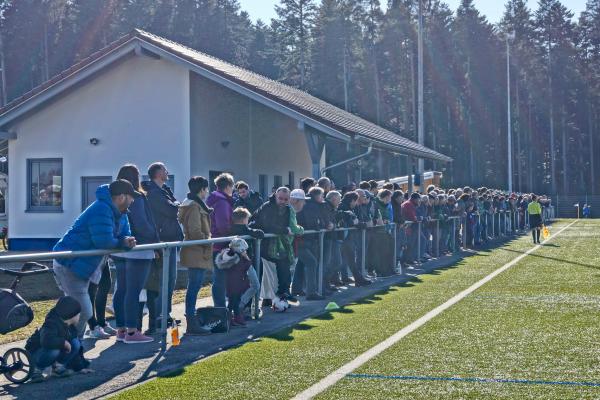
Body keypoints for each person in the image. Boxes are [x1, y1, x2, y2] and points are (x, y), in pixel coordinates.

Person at [53, 180, 136, 338]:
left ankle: (70, 349)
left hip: (82, 265)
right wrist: (123, 242)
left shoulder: (121, 213)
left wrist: (126, 240)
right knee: (83, 311)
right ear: (121, 197)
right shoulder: (101, 209)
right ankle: (66, 348)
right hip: (70, 264)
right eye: (131, 197)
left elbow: (124, 234)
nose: (133, 201)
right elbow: (103, 241)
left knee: (76, 312)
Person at [112, 165, 160, 344]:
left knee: (121, 289)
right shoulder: (137, 198)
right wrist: (155, 240)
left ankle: (121, 329)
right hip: (139, 248)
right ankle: (132, 331)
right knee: (133, 290)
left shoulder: (114, 199)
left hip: (120, 247)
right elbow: (142, 223)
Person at [142, 162, 183, 330]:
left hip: (170, 240)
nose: (167, 172)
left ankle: (166, 314)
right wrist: (176, 206)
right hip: (162, 242)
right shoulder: (153, 194)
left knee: (171, 280)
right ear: (159, 173)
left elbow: (175, 207)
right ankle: (159, 316)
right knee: (163, 281)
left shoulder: (164, 191)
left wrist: (175, 205)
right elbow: (173, 211)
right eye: (165, 170)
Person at [27, 296, 93, 383]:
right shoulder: (50, 324)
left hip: (49, 350)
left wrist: (80, 368)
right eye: (78, 314)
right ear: (71, 315)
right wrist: (63, 343)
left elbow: (76, 352)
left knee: (75, 343)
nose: (79, 316)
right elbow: (46, 341)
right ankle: (36, 369)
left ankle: (57, 366)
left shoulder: (71, 327)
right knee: (54, 350)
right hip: (37, 352)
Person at [178, 176, 213, 336]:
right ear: (202, 189)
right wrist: (208, 242)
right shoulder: (193, 207)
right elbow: (195, 232)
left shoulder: (194, 204)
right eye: (206, 188)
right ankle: (191, 322)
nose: (207, 191)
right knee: (193, 287)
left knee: (194, 286)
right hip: (196, 251)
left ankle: (192, 320)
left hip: (197, 251)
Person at [250, 187, 297, 305]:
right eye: (280, 198)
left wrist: (288, 230)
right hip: (261, 243)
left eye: (286, 199)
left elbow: (289, 225)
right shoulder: (267, 207)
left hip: (275, 243)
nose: (282, 201)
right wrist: (285, 230)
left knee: (284, 264)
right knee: (262, 274)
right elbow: (267, 225)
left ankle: (283, 292)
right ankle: (251, 304)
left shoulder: (288, 209)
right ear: (275, 196)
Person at [206, 173, 235, 308]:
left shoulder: (213, 199)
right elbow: (223, 226)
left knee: (219, 279)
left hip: (214, 243)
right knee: (221, 279)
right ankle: (221, 308)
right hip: (221, 244)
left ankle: (220, 307)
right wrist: (235, 233)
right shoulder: (222, 202)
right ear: (228, 186)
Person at [229, 207, 264, 317]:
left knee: (238, 287)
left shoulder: (229, 229)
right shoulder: (244, 229)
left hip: (234, 265)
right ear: (244, 219)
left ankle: (238, 309)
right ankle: (241, 306)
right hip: (246, 263)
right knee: (255, 285)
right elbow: (259, 233)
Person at [294, 187, 327, 301]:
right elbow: (310, 222)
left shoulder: (305, 207)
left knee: (302, 264)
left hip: (303, 240)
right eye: (302, 200)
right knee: (312, 262)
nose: (304, 202)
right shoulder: (307, 207)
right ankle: (311, 292)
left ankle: (296, 289)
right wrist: (320, 225)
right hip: (301, 241)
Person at [216, 237, 254, 327]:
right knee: (233, 301)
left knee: (234, 301)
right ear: (239, 250)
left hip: (233, 284)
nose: (245, 252)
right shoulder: (237, 259)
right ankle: (230, 318)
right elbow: (246, 266)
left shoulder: (230, 256)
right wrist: (247, 259)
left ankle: (235, 317)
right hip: (235, 285)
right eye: (244, 251)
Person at [85, 260, 114, 339]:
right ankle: (93, 327)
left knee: (106, 285)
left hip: (102, 257)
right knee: (91, 290)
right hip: (90, 257)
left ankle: (102, 322)